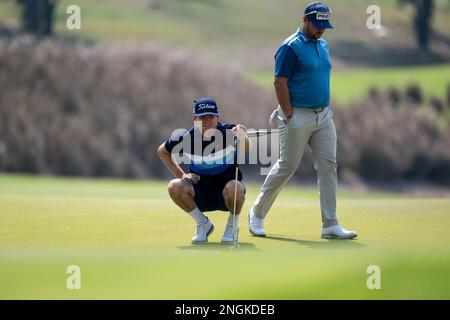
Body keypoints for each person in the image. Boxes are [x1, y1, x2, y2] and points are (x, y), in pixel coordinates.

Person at [248, 2, 357, 239]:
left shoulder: (324, 44)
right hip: (297, 115)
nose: (321, 30)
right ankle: (256, 213)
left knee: (329, 167)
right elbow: (279, 81)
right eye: (317, 26)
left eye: (324, 27)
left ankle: (330, 224)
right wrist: (288, 114)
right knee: (287, 166)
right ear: (305, 20)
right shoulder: (290, 47)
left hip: (324, 116)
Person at [157, 97, 251, 244]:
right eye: (202, 117)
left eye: (211, 117)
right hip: (200, 192)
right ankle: (203, 224)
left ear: (217, 117)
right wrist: (181, 174)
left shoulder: (229, 131)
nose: (207, 121)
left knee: (236, 187)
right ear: (194, 118)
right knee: (174, 186)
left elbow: (246, 148)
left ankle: (232, 226)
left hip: (227, 194)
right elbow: (163, 151)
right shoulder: (185, 136)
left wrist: (242, 136)